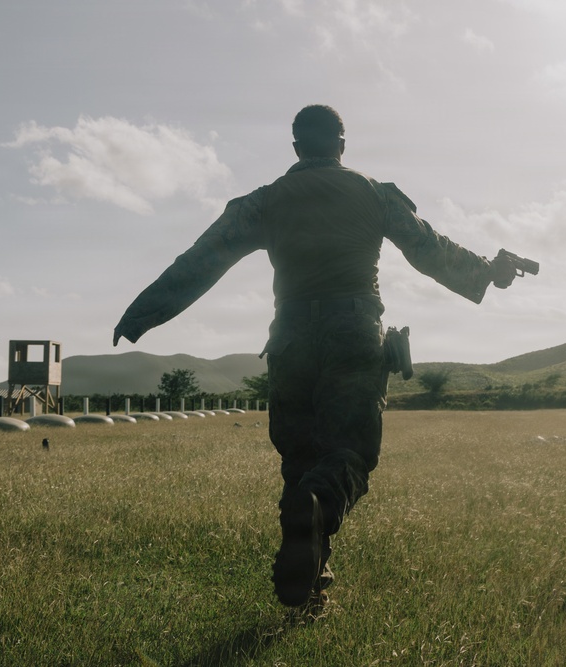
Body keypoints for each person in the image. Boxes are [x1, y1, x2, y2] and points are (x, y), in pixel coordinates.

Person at [113, 105, 520, 610]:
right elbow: (430, 248)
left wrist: (141, 313)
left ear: (296, 147)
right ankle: (319, 514)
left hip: (289, 339)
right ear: (342, 144)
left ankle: (308, 591)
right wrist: (489, 271)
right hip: (354, 333)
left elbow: (202, 258)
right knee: (348, 454)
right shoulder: (376, 194)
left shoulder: (264, 201)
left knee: (300, 462)